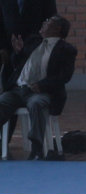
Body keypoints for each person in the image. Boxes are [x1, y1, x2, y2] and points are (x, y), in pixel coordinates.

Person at [0, 15, 77, 160]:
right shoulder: (33, 41)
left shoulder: (66, 50)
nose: (44, 22)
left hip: (42, 91)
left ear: (57, 28)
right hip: (18, 89)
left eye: (48, 22)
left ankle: (36, 148)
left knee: (36, 104)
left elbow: (64, 77)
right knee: (2, 102)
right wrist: (18, 53)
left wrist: (41, 85)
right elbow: (19, 64)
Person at [0, 0, 57, 145]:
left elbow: (52, 22)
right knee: (8, 95)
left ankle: (37, 146)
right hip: (10, 52)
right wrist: (4, 49)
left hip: (37, 51)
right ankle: (3, 142)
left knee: (33, 99)